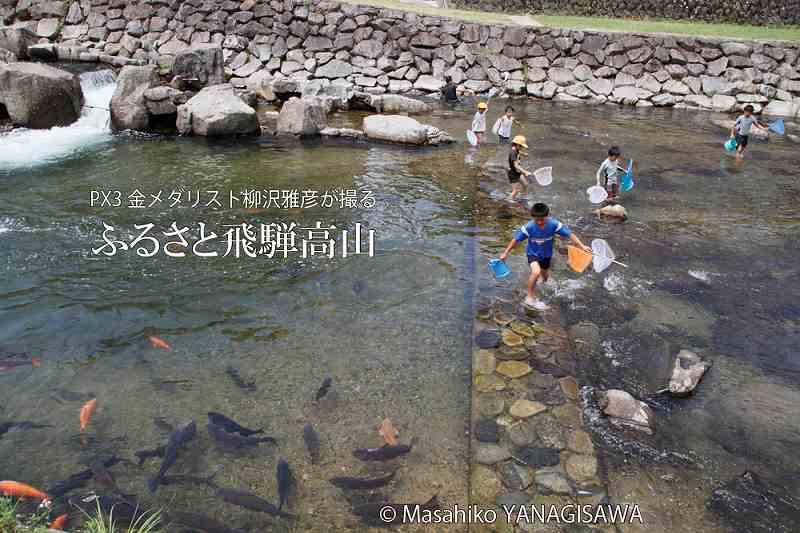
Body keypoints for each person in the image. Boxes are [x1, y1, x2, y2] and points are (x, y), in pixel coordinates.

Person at [499, 203, 590, 310]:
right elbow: (516, 240)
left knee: (545, 277)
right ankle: (529, 297)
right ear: (533, 217)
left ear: (547, 216)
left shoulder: (554, 225)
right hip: (532, 254)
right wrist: (505, 253)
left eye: (542, 219)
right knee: (536, 272)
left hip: (547, 254)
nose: (540, 222)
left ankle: (539, 282)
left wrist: (582, 246)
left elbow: (570, 234)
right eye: (537, 219)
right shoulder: (528, 228)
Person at [508, 135, 531, 202]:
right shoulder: (513, 153)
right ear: (517, 145)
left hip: (517, 172)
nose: (522, 148)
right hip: (512, 173)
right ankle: (509, 201)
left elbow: (518, 152)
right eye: (521, 146)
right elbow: (516, 166)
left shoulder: (516, 149)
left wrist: (523, 154)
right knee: (515, 190)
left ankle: (519, 195)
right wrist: (525, 172)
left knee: (526, 184)